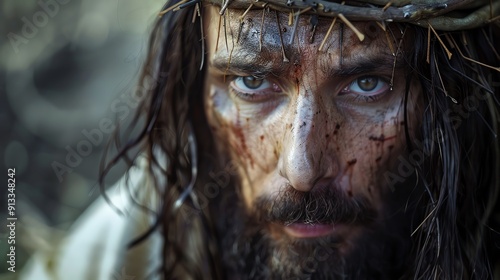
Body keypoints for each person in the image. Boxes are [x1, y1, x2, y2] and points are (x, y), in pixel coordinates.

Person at [21, 0, 500, 279]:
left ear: (444, 96)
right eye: (251, 82)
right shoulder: (165, 207)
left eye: (368, 84)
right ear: (200, 86)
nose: (302, 169)